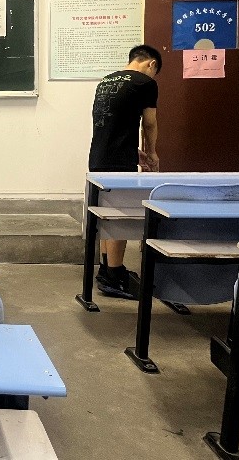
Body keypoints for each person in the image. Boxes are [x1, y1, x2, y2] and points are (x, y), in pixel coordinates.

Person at [89, 44, 163, 300]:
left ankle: (106, 269)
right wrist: (151, 153)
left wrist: (134, 151)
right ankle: (115, 275)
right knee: (119, 216)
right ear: (151, 64)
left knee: (105, 214)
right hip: (119, 161)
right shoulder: (145, 83)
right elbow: (149, 123)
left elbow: (112, 124)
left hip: (98, 157)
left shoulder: (106, 81)